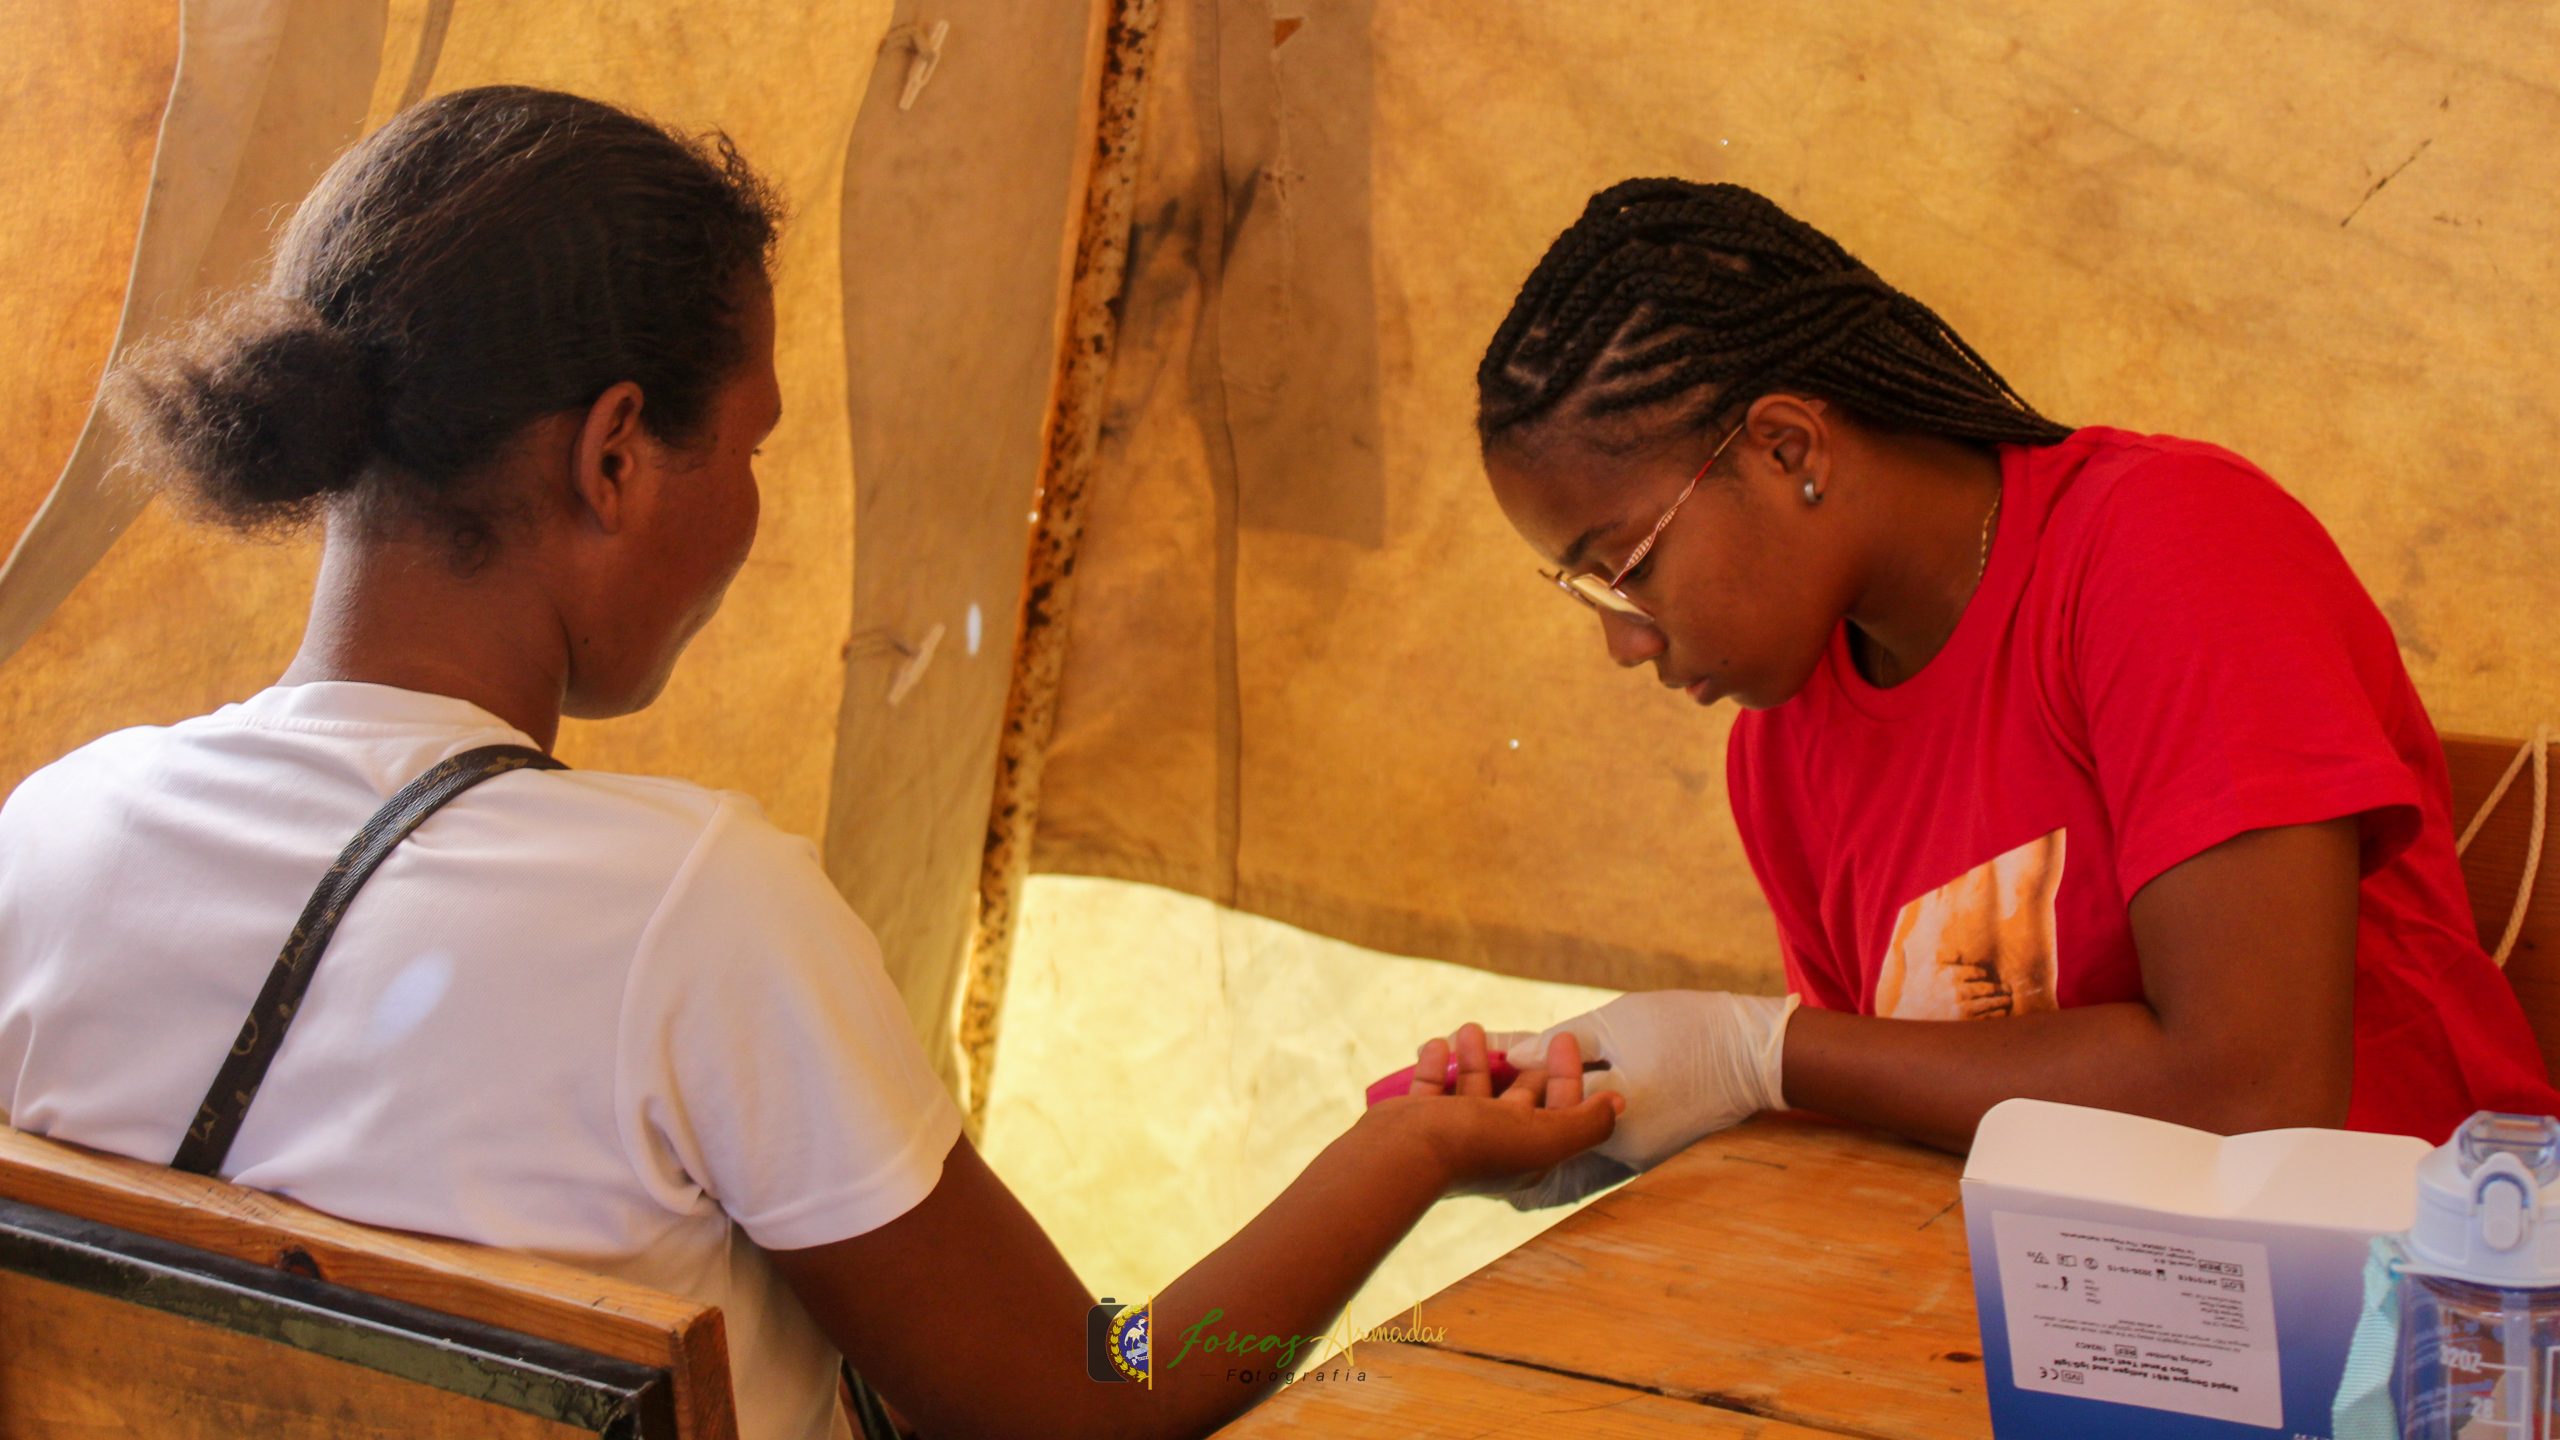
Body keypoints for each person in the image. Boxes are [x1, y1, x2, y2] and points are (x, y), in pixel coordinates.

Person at [0, 86, 1622, 1440]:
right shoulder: (687, 916)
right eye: (755, 444)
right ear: (616, 453)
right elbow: (1088, 1410)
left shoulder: (54, 839)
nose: (756, 521)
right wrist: (1411, 1149)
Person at [1467, 177, 2557, 1203]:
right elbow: (1896, 1097)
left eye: (1626, 565)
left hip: (2409, 1320)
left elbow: (2253, 1097)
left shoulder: (2165, 552)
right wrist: (1619, 1110)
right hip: (2063, 1308)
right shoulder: (1783, 744)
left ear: (1786, 446)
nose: (1621, 639)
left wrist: (1760, 1054)